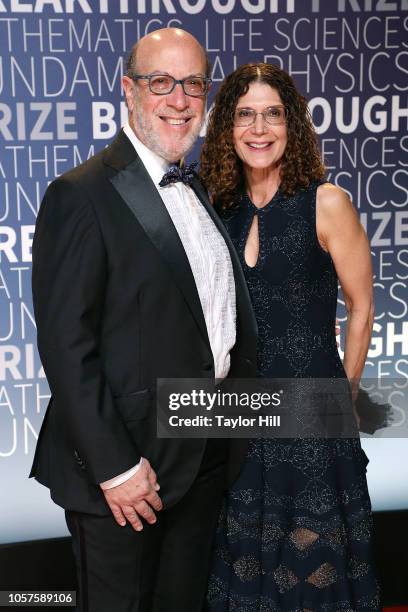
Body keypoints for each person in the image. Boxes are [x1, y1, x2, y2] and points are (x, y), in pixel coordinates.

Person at [30, 29, 257, 612]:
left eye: (193, 84)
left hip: (202, 454)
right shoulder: (80, 193)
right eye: (162, 82)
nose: (179, 100)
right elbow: (65, 345)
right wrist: (116, 469)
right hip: (127, 473)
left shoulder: (199, 185)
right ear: (129, 90)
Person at [200, 63, 380, 611]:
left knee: (312, 571)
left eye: (272, 114)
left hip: (313, 420)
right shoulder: (218, 207)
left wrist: (343, 395)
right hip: (242, 419)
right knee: (246, 564)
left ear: (291, 124)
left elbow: (362, 305)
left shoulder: (326, 201)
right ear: (228, 130)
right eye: (245, 115)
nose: (259, 128)